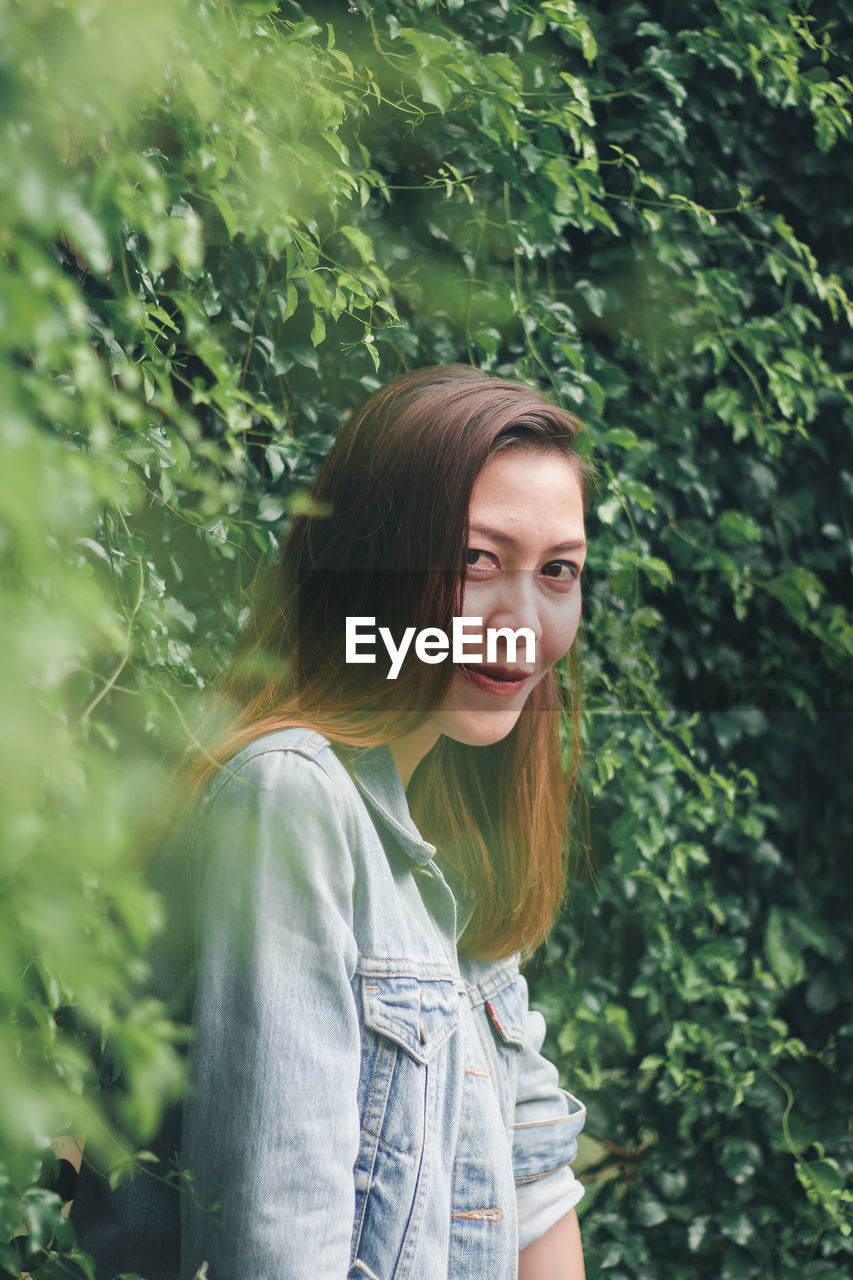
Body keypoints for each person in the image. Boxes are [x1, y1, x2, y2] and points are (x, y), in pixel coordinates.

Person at [72, 365, 591, 1279]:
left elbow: (535, 1186)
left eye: (557, 571)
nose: (522, 622)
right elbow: (278, 1242)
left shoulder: (449, 846)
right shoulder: (291, 798)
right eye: (476, 560)